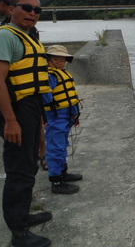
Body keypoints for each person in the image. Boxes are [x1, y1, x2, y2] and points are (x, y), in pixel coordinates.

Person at [0, 0, 52, 247]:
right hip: (16, 109)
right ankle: (18, 231)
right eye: (26, 8)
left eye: (37, 10)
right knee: (18, 169)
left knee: (28, 165)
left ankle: (23, 216)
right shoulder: (5, 36)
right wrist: (10, 120)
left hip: (31, 106)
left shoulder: (27, 36)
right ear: (11, 8)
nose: (32, 13)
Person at [42, 44, 83, 194]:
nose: (60, 63)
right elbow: (45, 96)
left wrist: (74, 115)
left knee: (62, 145)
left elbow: (70, 97)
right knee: (55, 147)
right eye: (56, 59)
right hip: (55, 116)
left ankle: (62, 172)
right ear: (48, 60)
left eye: (63, 60)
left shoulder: (63, 74)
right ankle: (56, 181)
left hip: (66, 115)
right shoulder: (49, 76)